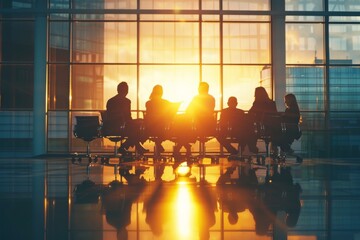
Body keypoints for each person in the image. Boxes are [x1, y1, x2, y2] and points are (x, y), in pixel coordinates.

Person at [173, 82, 216, 156]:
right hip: (209, 124)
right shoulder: (211, 98)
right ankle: (183, 147)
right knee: (185, 128)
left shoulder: (197, 98)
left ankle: (181, 147)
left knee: (181, 126)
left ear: (200, 89)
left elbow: (189, 110)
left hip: (199, 124)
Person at [105, 81, 148, 155]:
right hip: (122, 126)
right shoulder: (126, 101)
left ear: (118, 90)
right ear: (126, 91)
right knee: (138, 126)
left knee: (136, 126)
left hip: (111, 127)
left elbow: (110, 116)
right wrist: (134, 122)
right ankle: (127, 147)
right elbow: (128, 116)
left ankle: (131, 147)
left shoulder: (110, 101)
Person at [145, 85, 178, 154]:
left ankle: (158, 144)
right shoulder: (165, 103)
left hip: (150, 128)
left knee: (159, 130)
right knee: (176, 129)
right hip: (163, 128)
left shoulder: (148, 103)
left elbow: (148, 116)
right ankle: (180, 147)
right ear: (162, 92)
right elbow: (170, 114)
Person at [247, 86, 278, 153]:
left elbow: (250, 113)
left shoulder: (257, 104)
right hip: (271, 128)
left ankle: (253, 149)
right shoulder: (272, 103)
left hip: (260, 127)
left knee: (248, 132)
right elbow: (275, 115)